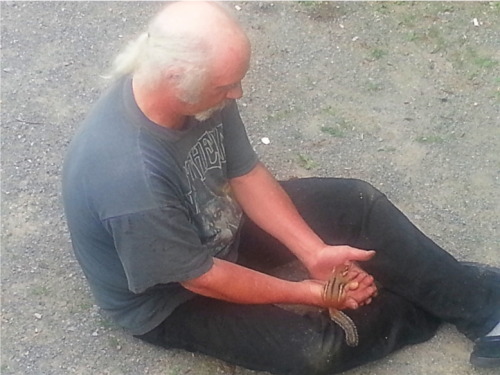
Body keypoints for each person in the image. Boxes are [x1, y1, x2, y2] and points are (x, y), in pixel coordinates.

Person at [62, 2, 499, 374]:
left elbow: (245, 173)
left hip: (216, 229)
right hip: (171, 297)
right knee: (316, 349)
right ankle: (427, 296)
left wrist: (313, 253)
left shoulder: (199, 93)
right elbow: (202, 278)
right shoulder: (127, 178)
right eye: (225, 85)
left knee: (354, 203)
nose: (237, 93)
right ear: (175, 76)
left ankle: (477, 305)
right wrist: (310, 292)